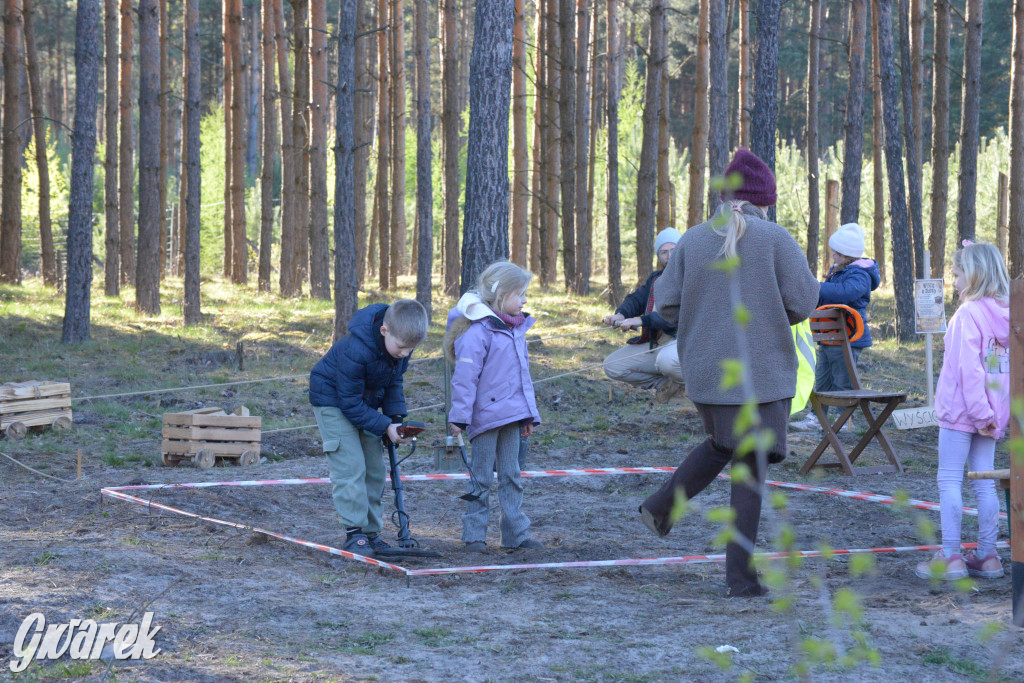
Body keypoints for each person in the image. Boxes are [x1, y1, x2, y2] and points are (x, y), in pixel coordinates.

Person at [637, 148, 820, 597]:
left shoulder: (693, 240)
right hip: (763, 373)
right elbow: (804, 303)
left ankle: (661, 506)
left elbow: (665, 304)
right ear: (764, 201)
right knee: (750, 468)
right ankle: (740, 580)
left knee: (725, 443)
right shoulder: (776, 239)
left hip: (706, 372)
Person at [915, 241, 1010, 581]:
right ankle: (988, 555)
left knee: (950, 479)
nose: (953, 283)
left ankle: (952, 556)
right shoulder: (1009, 317)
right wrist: (992, 415)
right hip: (992, 414)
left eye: (957, 275)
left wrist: (980, 414)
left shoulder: (966, 316)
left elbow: (969, 371)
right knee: (985, 483)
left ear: (976, 275)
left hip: (962, 412)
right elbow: (1002, 371)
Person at [308, 299, 428, 557]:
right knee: (350, 466)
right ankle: (355, 534)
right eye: (402, 348)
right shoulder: (356, 348)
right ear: (385, 331)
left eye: (411, 349)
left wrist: (396, 420)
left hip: (364, 403)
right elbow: (349, 403)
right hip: (333, 402)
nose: (405, 354)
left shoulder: (400, 345)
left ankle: (372, 534)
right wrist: (385, 425)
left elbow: (394, 383)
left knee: (374, 469)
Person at [445, 261, 543, 553]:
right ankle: (474, 535)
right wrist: (459, 417)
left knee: (512, 475)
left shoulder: (517, 330)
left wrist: (528, 415)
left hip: (513, 419)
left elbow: (523, 378)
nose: (525, 300)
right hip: (485, 421)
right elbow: (464, 379)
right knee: (481, 478)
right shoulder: (477, 333)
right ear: (500, 295)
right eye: (520, 294)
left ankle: (517, 535)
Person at [791, 222, 880, 431]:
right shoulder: (839, 271)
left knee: (843, 382)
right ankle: (817, 418)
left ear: (847, 255)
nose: (833, 256)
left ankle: (845, 421)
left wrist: (818, 287)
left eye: (837, 253)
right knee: (822, 379)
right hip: (830, 337)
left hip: (849, 338)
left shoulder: (859, 275)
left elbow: (845, 293)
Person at [602, 227, 685, 402]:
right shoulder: (656, 278)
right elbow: (637, 299)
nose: (669, 256)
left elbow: (674, 318)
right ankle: (669, 387)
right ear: (659, 255)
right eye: (664, 252)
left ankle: (694, 389)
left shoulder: (690, 278)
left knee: (666, 361)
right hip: (657, 343)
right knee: (612, 366)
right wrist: (621, 314)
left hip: (683, 346)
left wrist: (641, 320)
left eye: (674, 250)